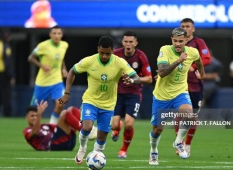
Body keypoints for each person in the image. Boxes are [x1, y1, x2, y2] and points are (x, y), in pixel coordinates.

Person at [58, 35, 141, 165]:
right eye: (102, 53)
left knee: (102, 136)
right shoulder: (89, 61)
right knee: (87, 127)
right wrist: (67, 93)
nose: (104, 56)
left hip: (108, 105)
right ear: (98, 49)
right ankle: (82, 148)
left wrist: (131, 80)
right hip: (90, 101)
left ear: (112, 51)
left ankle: (95, 159)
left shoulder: (119, 62)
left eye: (107, 54)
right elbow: (72, 72)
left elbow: (135, 77)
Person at [149, 27, 205, 165]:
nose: (178, 44)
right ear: (171, 40)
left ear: (186, 40)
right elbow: (161, 73)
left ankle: (179, 141)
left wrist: (202, 74)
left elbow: (199, 61)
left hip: (180, 91)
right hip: (162, 95)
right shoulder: (165, 50)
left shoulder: (193, 52)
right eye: (175, 41)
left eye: (181, 41)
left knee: (189, 114)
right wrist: (179, 61)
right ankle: (153, 150)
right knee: (157, 129)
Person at [111, 31, 153, 158]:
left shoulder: (141, 56)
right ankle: (117, 127)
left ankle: (123, 150)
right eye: (126, 41)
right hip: (117, 94)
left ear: (136, 43)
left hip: (133, 94)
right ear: (122, 42)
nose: (128, 44)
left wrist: (134, 80)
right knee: (114, 125)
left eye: (131, 42)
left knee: (129, 124)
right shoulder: (116, 54)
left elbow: (149, 79)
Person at [174, 18, 211, 157]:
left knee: (193, 117)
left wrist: (193, 66)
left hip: (195, 85)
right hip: (179, 86)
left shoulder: (198, 42)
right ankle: (179, 143)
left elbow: (207, 59)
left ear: (193, 29)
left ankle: (187, 144)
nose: (185, 28)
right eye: (182, 26)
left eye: (187, 26)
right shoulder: (176, 44)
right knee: (179, 115)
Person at [28, 25, 68, 124]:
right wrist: (41, 65)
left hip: (57, 81)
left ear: (62, 35)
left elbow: (61, 58)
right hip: (43, 83)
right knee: (34, 110)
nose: (56, 36)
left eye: (59, 33)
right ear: (50, 34)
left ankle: (52, 125)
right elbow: (31, 58)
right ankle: (31, 132)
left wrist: (64, 69)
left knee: (60, 103)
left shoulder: (64, 45)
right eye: (54, 33)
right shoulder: (43, 46)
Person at [0, 31, 15, 117]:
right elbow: (8, 62)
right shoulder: (5, 46)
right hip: (3, 75)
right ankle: (7, 115)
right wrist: (11, 76)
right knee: (6, 96)